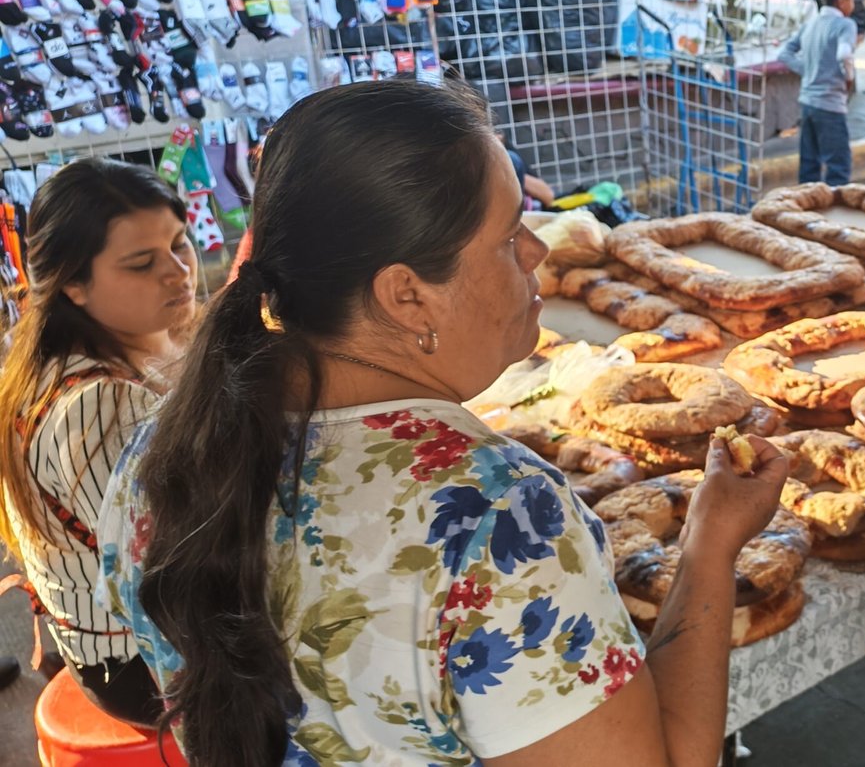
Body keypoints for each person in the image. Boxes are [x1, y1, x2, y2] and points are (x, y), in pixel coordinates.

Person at [96, 80, 790, 767]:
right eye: (509, 235)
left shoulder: (160, 451)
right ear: (407, 295)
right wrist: (709, 546)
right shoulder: (501, 516)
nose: (537, 251)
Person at [0, 158, 195, 727]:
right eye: (142, 263)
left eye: (179, 244)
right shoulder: (103, 406)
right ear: (74, 284)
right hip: (139, 665)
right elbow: (173, 569)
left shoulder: (111, 347)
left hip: (128, 637)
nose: (179, 272)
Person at [780, 0, 860, 186]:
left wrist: (807, 70)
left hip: (808, 103)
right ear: (841, 0)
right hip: (830, 103)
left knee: (809, 165)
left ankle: (807, 203)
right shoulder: (845, 25)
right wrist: (849, 78)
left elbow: (784, 53)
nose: (853, 4)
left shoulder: (811, 24)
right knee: (838, 168)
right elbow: (844, 54)